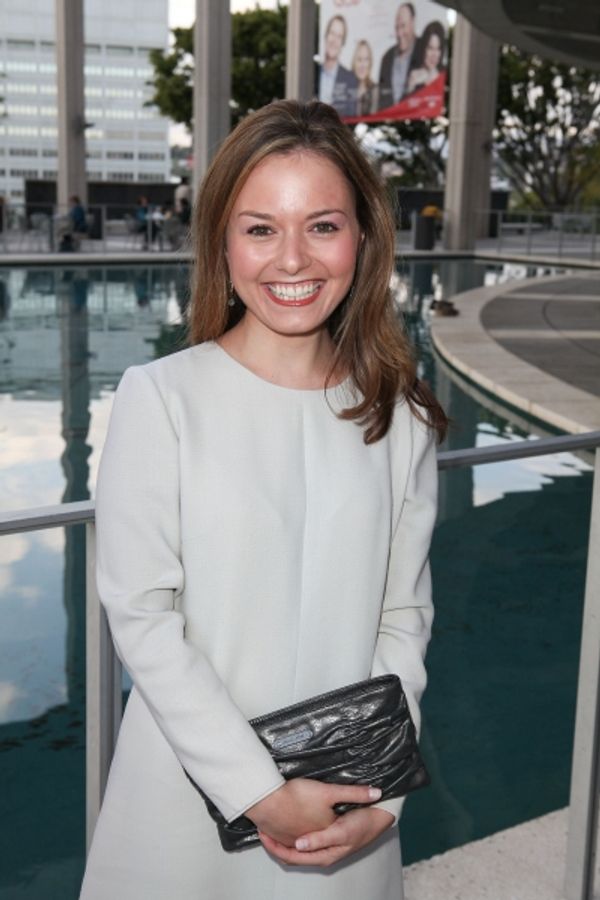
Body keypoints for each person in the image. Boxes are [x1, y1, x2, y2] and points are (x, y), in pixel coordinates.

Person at [79, 99, 446, 900]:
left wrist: (381, 794)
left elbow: (403, 618)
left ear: (363, 238)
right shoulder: (162, 397)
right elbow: (142, 616)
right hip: (182, 803)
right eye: (260, 228)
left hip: (345, 811)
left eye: (322, 225)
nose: (292, 259)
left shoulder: (402, 416)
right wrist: (258, 790)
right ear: (222, 241)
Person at [378, 3, 420, 110]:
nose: (399, 33)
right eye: (397, 27)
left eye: (403, 26)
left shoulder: (425, 51)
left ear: (413, 22)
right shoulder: (387, 58)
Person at [318, 15, 359, 118]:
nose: (334, 40)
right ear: (326, 35)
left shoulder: (351, 79)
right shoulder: (312, 73)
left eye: (339, 36)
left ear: (343, 43)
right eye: (332, 33)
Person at [406, 21, 446, 94]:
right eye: (430, 48)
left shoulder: (443, 74)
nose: (434, 54)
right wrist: (410, 87)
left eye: (438, 49)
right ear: (423, 48)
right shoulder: (413, 73)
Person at [351, 40, 379, 116]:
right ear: (354, 62)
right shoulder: (347, 88)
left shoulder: (375, 90)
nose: (362, 65)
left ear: (370, 62)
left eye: (366, 59)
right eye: (359, 59)